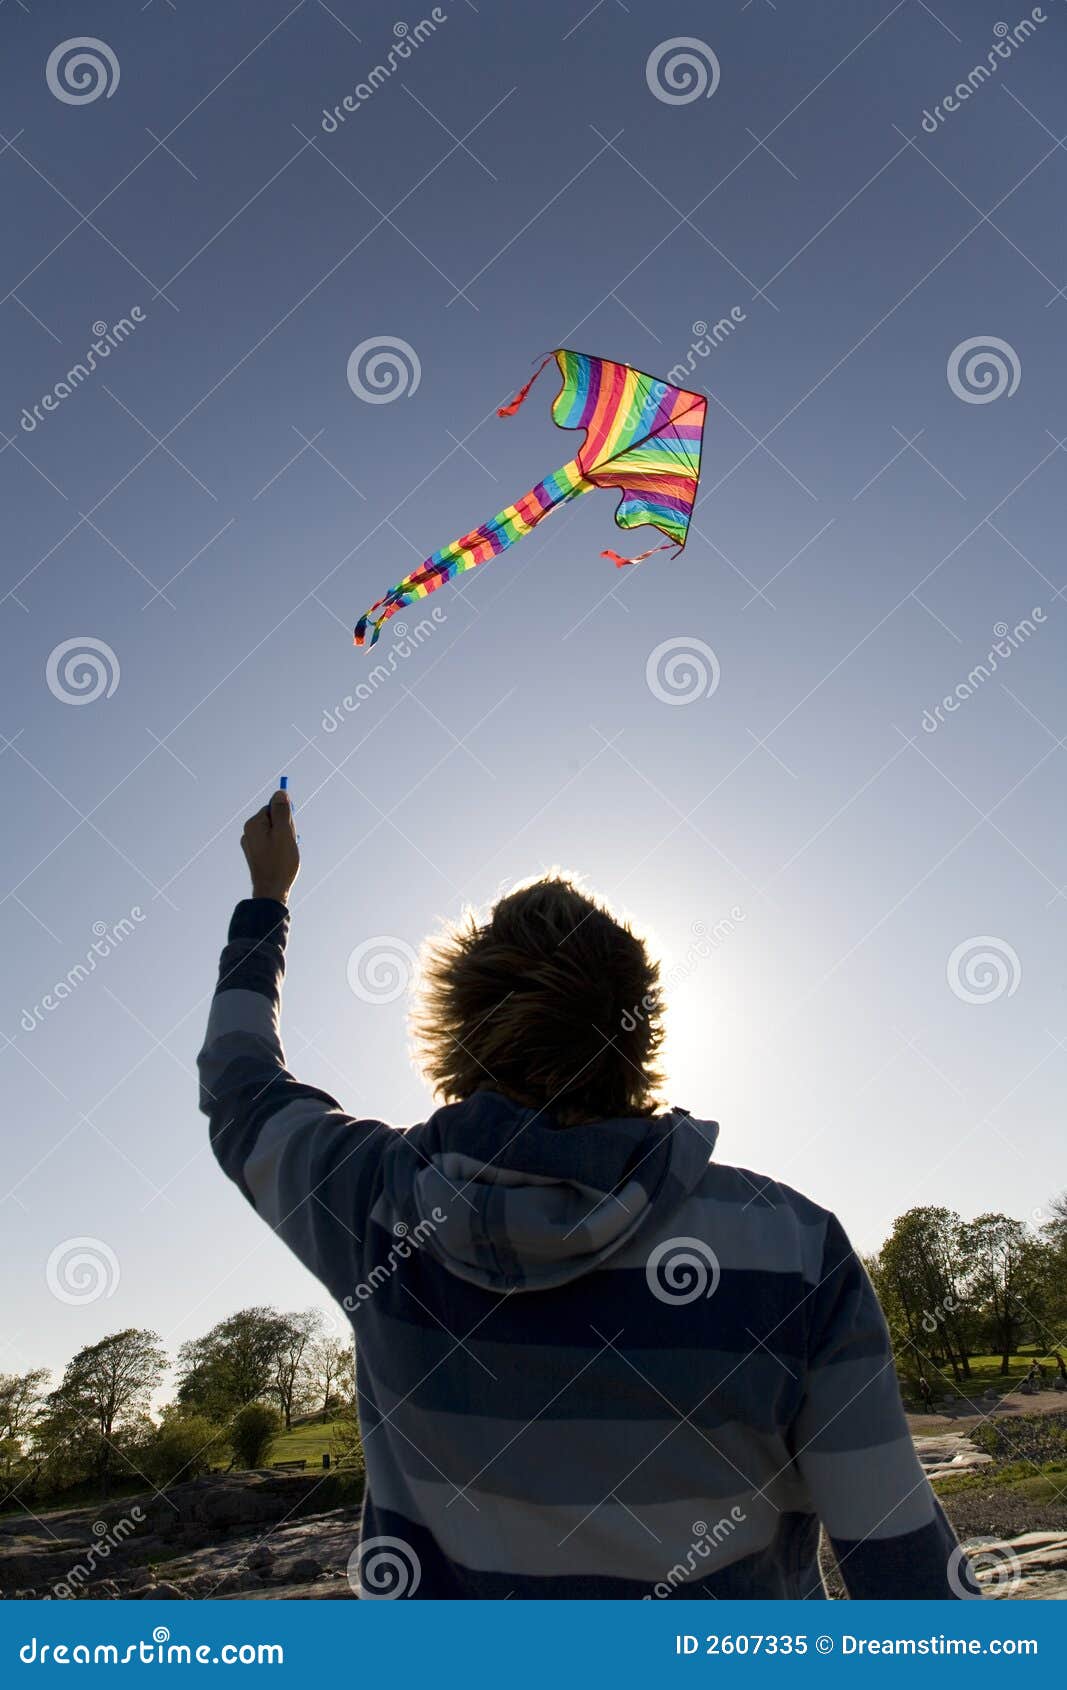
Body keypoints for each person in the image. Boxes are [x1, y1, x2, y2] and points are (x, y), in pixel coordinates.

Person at [198, 788, 978, 1600]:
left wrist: (268, 898)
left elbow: (240, 1085)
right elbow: (904, 1572)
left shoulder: (376, 1210)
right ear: (641, 1029)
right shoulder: (793, 1251)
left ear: (454, 1025)